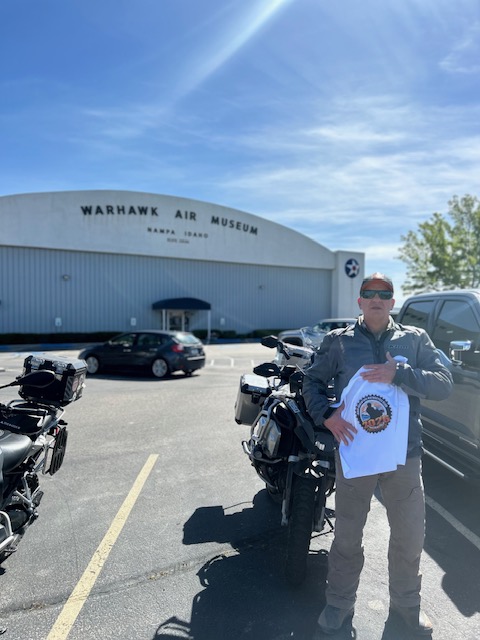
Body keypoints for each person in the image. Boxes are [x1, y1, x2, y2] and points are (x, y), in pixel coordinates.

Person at [302, 272, 453, 636]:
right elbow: (311, 380)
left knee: (409, 537)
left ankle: (406, 605)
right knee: (347, 536)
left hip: (404, 456)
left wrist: (398, 373)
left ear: (392, 302)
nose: (376, 298)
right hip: (356, 455)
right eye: (369, 293)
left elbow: (444, 383)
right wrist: (327, 416)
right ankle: (339, 603)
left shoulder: (414, 339)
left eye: (384, 294)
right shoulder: (339, 342)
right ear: (359, 301)